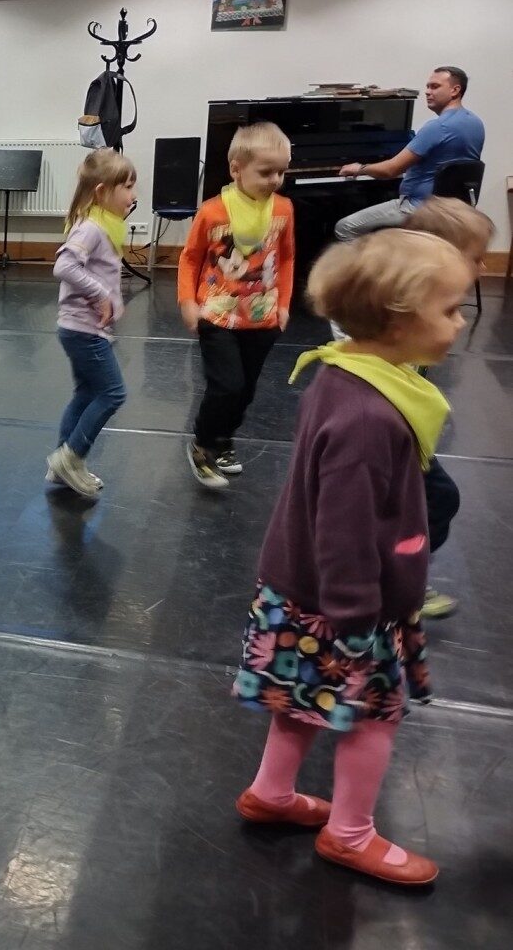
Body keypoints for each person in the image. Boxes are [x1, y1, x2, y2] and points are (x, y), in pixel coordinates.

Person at [233, 229, 471, 887]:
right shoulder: (369, 416)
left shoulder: (345, 372)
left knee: (299, 700)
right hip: (345, 606)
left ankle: (271, 792)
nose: (461, 322)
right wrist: (357, 616)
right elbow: (343, 528)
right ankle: (350, 833)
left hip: (304, 593)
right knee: (373, 718)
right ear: (398, 320)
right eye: (451, 308)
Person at [178, 121, 295, 489]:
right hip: (218, 314)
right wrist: (187, 301)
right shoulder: (213, 212)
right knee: (226, 386)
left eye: (281, 172)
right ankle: (202, 445)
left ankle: (224, 439)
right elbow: (190, 258)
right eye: (266, 172)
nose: (275, 180)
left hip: (262, 317)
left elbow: (287, 257)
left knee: (245, 390)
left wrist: (284, 303)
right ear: (236, 169)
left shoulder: (283, 209)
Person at [399, 197, 493, 619]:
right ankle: (398, 579)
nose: (483, 267)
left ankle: (403, 575)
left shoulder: (431, 307)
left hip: (410, 431)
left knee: (436, 500)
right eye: (477, 258)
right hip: (394, 434)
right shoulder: (402, 311)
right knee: (438, 499)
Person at [46, 149, 133, 499]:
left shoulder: (102, 225)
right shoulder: (91, 228)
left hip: (81, 329)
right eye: (127, 187)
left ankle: (61, 463)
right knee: (113, 393)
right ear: (102, 191)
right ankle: (72, 457)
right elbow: (64, 266)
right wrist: (101, 294)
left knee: (86, 393)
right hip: (84, 331)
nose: (134, 195)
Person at [334, 66, 484, 239]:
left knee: (345, 227)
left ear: (455, 90)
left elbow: (390, 170)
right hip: (454, 209)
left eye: (435, 87)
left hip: (419, 207)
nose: (427, 92)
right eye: (427, 86)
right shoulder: (475, 123)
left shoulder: (438, 127)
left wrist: (360, 168)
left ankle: (377, 258)